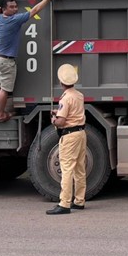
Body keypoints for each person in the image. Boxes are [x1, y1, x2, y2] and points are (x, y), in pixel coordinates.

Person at [0, 0, 54, 122]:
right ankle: (0, 114)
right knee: (4, 90)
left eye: (15, 6)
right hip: (5, 61)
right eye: (11, 7)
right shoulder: (15, 19)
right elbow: (35, 10)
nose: (15, 9)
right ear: (4, 9)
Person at [46, 63, 86, 216]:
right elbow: (73, 112)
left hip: (69, 136)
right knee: (80, 169)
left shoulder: (66, 98)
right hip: (81, 133)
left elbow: (61, 122)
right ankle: (79, 200)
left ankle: (64, 203)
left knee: (67, 169)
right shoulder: (78, 95)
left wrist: (54, 120)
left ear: (62, 82)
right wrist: (59, 111)